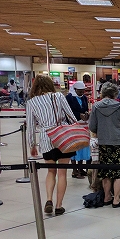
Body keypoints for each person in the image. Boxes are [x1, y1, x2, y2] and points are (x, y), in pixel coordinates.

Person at [26, 75, 78, 215]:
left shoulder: (31, 102)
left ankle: (49, 199)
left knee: (50, 171)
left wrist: (32, 145)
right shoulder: (59, 96)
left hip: (46, 138)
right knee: (62, 173)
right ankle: (58, 206)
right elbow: (71, 116)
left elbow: (30, 127)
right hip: (62, 136)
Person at [88, 82, 120, 208]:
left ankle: (107, 197)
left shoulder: (96, 106)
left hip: (104, 142)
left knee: (105, 171)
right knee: (119, 171)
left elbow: (92, 126)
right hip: (118, 142)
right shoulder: (119, 106)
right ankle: (116, 199)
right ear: (115, 94)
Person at [66, 81, 90, 178]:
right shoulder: (69, 98)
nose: (82, 93)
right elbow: (68, 111)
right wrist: (79, 115)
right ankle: (74, 170)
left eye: (83, 91)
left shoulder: (84, 98)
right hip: (73, 126)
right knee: (74, 148)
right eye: (80, 91)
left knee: (82, 147)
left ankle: (80, 168)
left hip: (83, 126)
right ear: (75, 89)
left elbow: (86, 108)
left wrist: (86, 114)